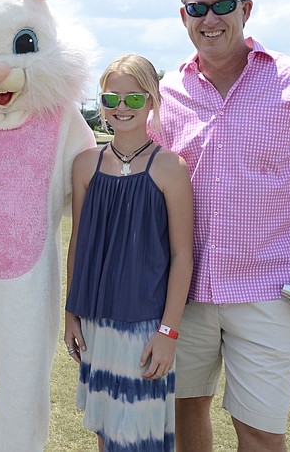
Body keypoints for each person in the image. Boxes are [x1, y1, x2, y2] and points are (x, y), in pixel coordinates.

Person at [150, 0, 290, 451]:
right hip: (187, 290)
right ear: (183, 18)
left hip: (269, 287)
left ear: (246, 10)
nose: (210, 19)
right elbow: (149, 185)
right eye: (196, 9)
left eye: (223, 5)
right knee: (185, 412)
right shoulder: (168, 93)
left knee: (261, 433)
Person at [64, 54, 193, 452]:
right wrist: (71, 314)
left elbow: (182, 254)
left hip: (145, 327)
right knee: (106, 433)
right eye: (111, 98)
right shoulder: (85, 164)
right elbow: (78, 245)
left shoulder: (170, 166)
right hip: (98, 322)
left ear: (152, 101)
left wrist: (168, 332)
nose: (122, 108)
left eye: (134, 99)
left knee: (141, 438)